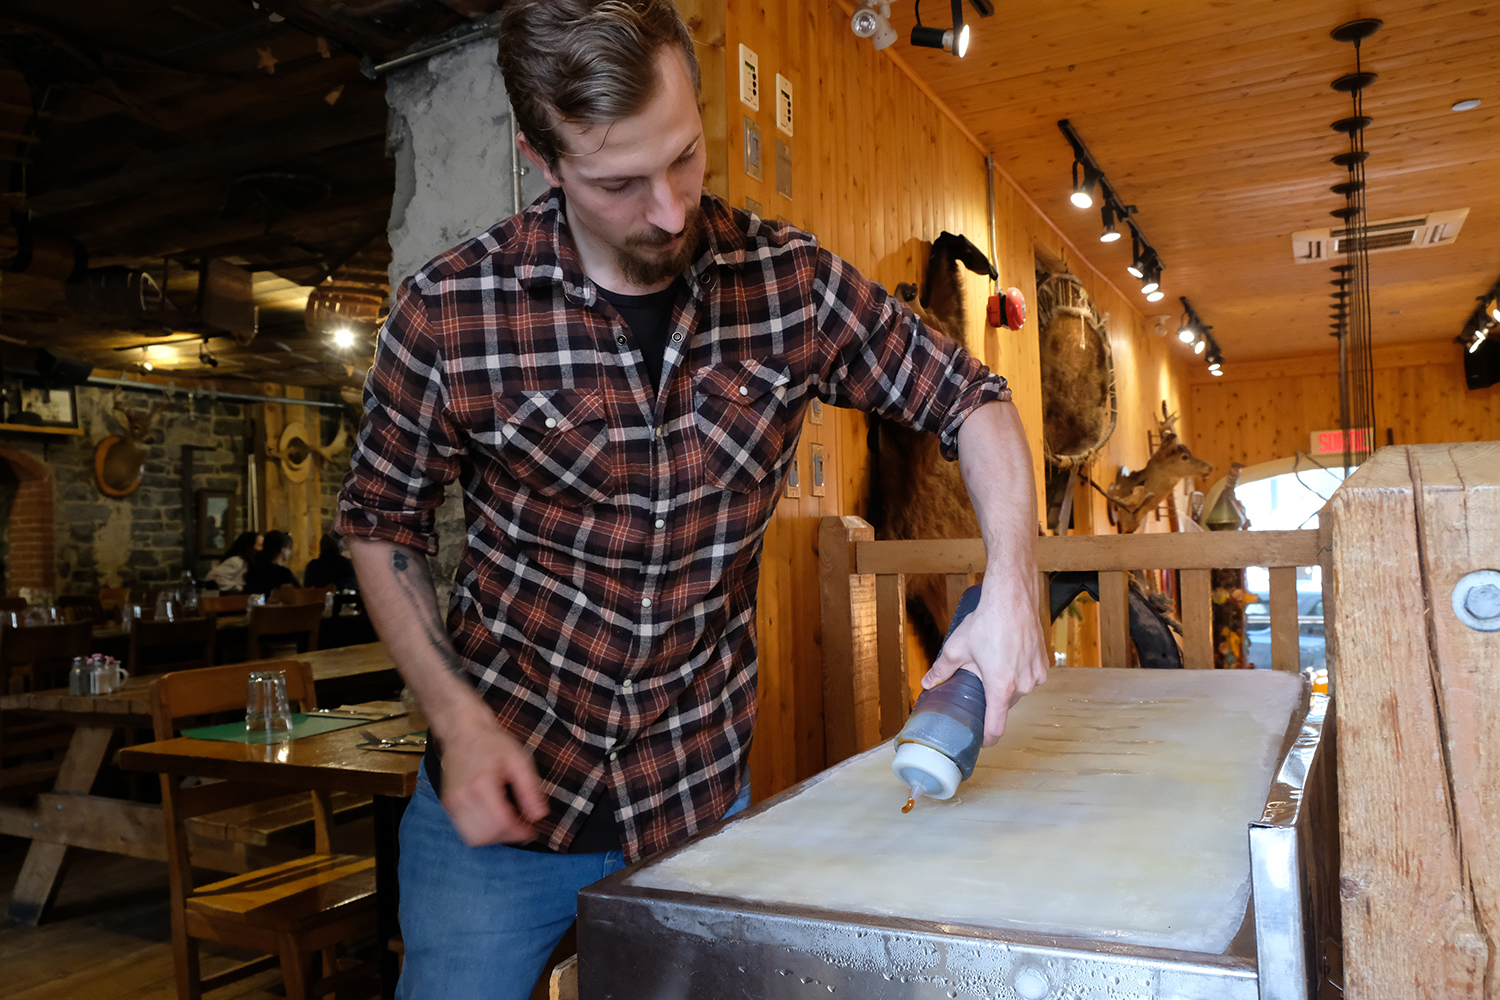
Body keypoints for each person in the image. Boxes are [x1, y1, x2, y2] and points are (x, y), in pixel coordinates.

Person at [335, 3, 1046, 996]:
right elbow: (380, 526)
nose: (670, 210)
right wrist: (454, 716)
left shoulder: (788, 284)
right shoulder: (451, 310)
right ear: (543, 159)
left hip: (696, 799)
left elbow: (974, 400)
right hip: (492, 825)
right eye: (620, 183)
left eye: (685, 158)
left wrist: (1012, 581)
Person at [245, 530, 298, 596]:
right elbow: (298, 595)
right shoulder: (284, 574)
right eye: (289, 549)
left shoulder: (252, 570)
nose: (290, 553)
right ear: (283, 549)